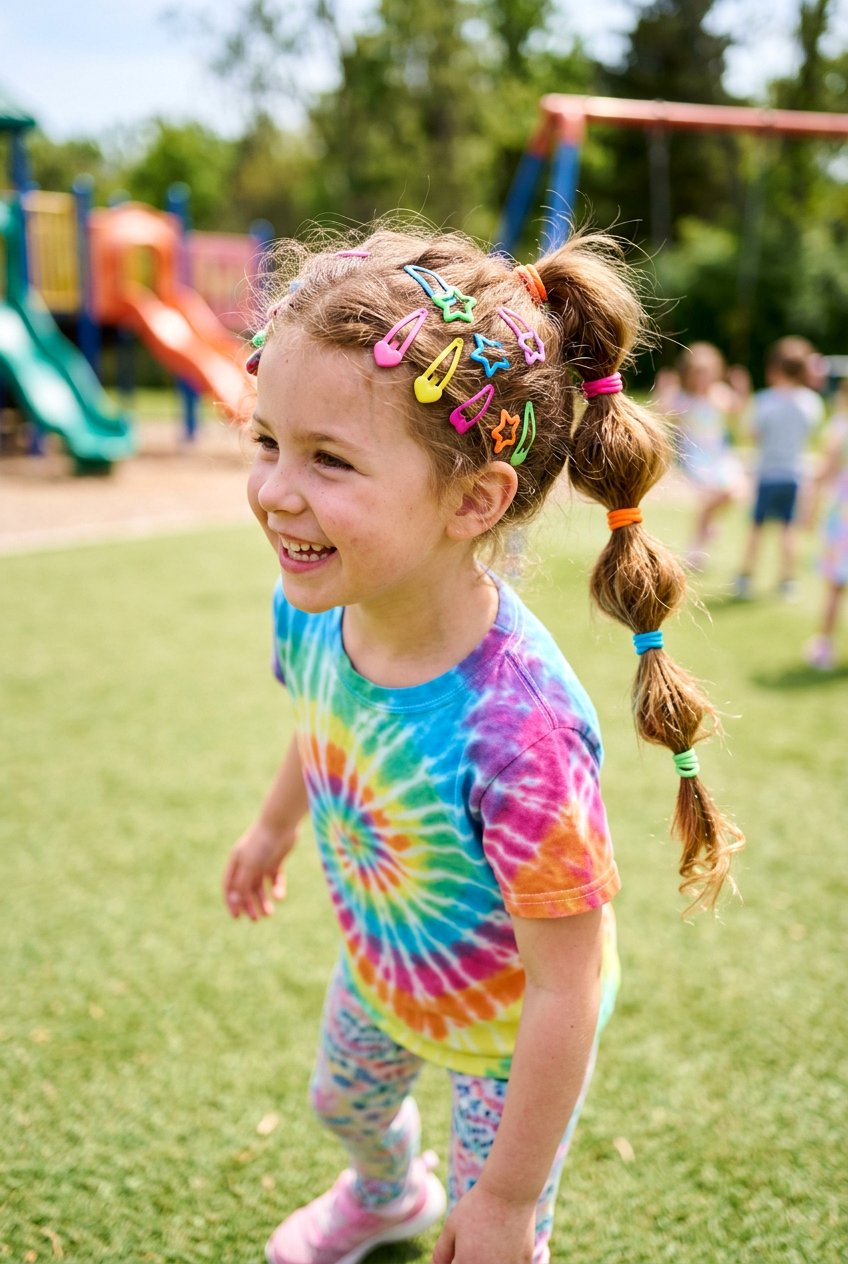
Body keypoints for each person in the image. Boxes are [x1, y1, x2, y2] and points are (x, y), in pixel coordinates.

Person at [222, 227, 744, 1264]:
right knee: (341, 1103)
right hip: (384, 965)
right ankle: (383, 1192)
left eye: (328, 458)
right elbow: (318, 722)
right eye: (266, 441)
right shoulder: (317, 604)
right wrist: (274, 824)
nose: (278, 491)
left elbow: (569, 981)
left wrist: (506, 1197)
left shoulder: (521, 729)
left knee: (488, 1245)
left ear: (473, 498)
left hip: (511, 1040)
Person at [734, 336, 824, 600]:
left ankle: (745, 577)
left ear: (775, 368)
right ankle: (788, 581)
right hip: (794, 475)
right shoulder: (812, 403)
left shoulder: (765, 401)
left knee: (756, 528)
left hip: (768, 474)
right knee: (788, 530)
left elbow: (752, 434)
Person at [655, 341, 748, 570]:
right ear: (689, 374)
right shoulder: (684, 398)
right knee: (717, 495)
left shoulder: (719, 394)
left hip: (718, 456)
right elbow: (663, 413)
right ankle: (697, 548)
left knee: (737, 491)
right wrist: (663, 389)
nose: (703, 380)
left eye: (708, 374)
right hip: (695, 458)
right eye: (699, 374)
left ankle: (707, 526)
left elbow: (736, 408)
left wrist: (742, 390)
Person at [803, 378, 848, 669]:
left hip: (842, 520)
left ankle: (824, 647)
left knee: (835, 585)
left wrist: (809, 509)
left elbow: (824, 472)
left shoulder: (839, 429)